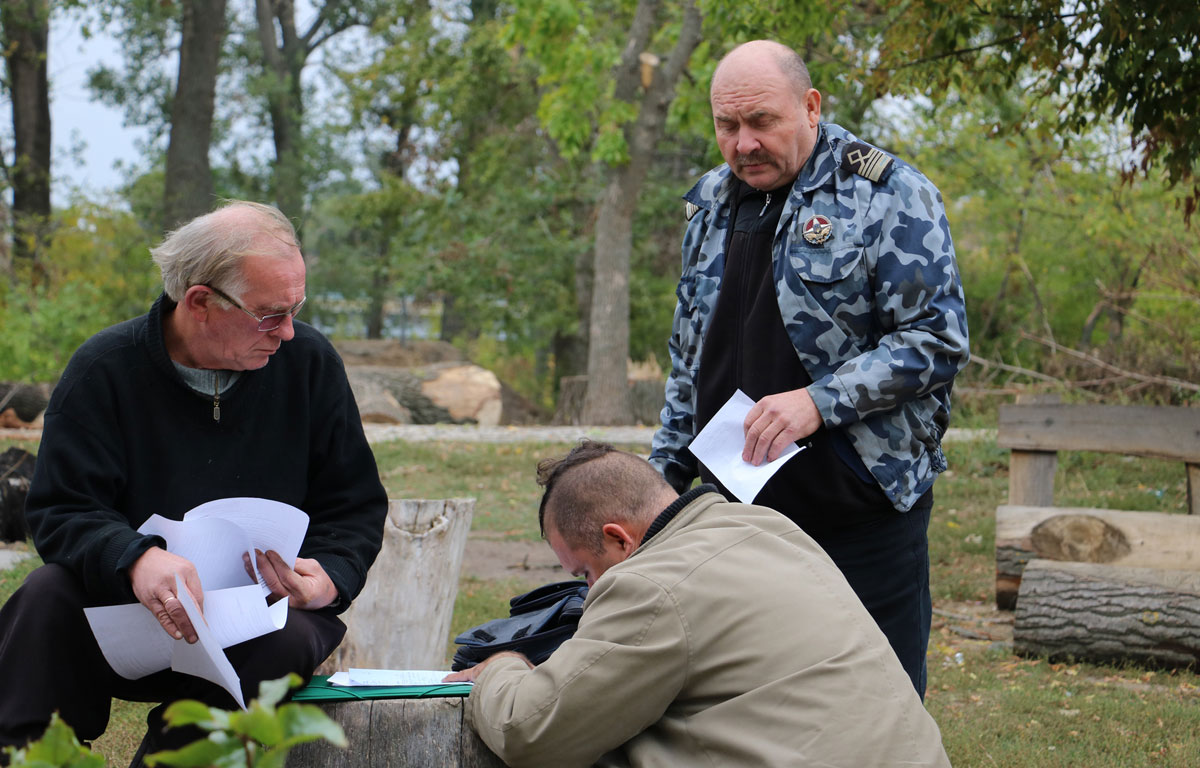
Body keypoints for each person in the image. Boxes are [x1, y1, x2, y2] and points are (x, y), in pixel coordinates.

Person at [0, 201, 388, 762]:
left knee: (296, 635)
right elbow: (62, 510)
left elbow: (353, 505)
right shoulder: (105, 370)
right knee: (43, 599)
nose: (288, 332)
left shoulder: (309, 366)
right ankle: (29, 758)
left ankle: (180, 759)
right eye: (269, 314)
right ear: (200, 302)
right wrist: (137, 559)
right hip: (125, 609)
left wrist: (328, 577)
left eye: (295, 309)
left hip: (254, 619)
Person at [649, 39, 970, 697]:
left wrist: (818, 402)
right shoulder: (711, 202)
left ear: (811, 106)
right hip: (733, 514)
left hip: (859, 509)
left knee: (875, 706)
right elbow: (690, 359)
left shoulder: (889, 194)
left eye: (761, 121)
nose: (742, 144)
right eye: (727, 126)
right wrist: (659, 480)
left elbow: (937, 339)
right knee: (743, 708)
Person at [448, 441, 951, 767]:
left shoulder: (649, 586)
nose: (589, 589)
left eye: (584, 573)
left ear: (619, 539)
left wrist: (504, 669)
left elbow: (531, 732)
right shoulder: (766, 527)